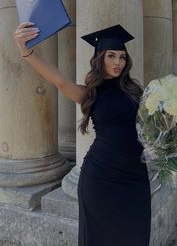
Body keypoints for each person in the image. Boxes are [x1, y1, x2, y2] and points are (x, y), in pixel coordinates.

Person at [13, 22, 151, 246]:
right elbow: (59, 80)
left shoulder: (135, 90)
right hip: (100, 177)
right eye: (111, 56)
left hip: (135, 176)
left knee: (136, 235)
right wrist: (26, 51)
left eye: (122, 57)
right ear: (100, 58)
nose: (118, 62)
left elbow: (152, 126)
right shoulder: (90, 94)